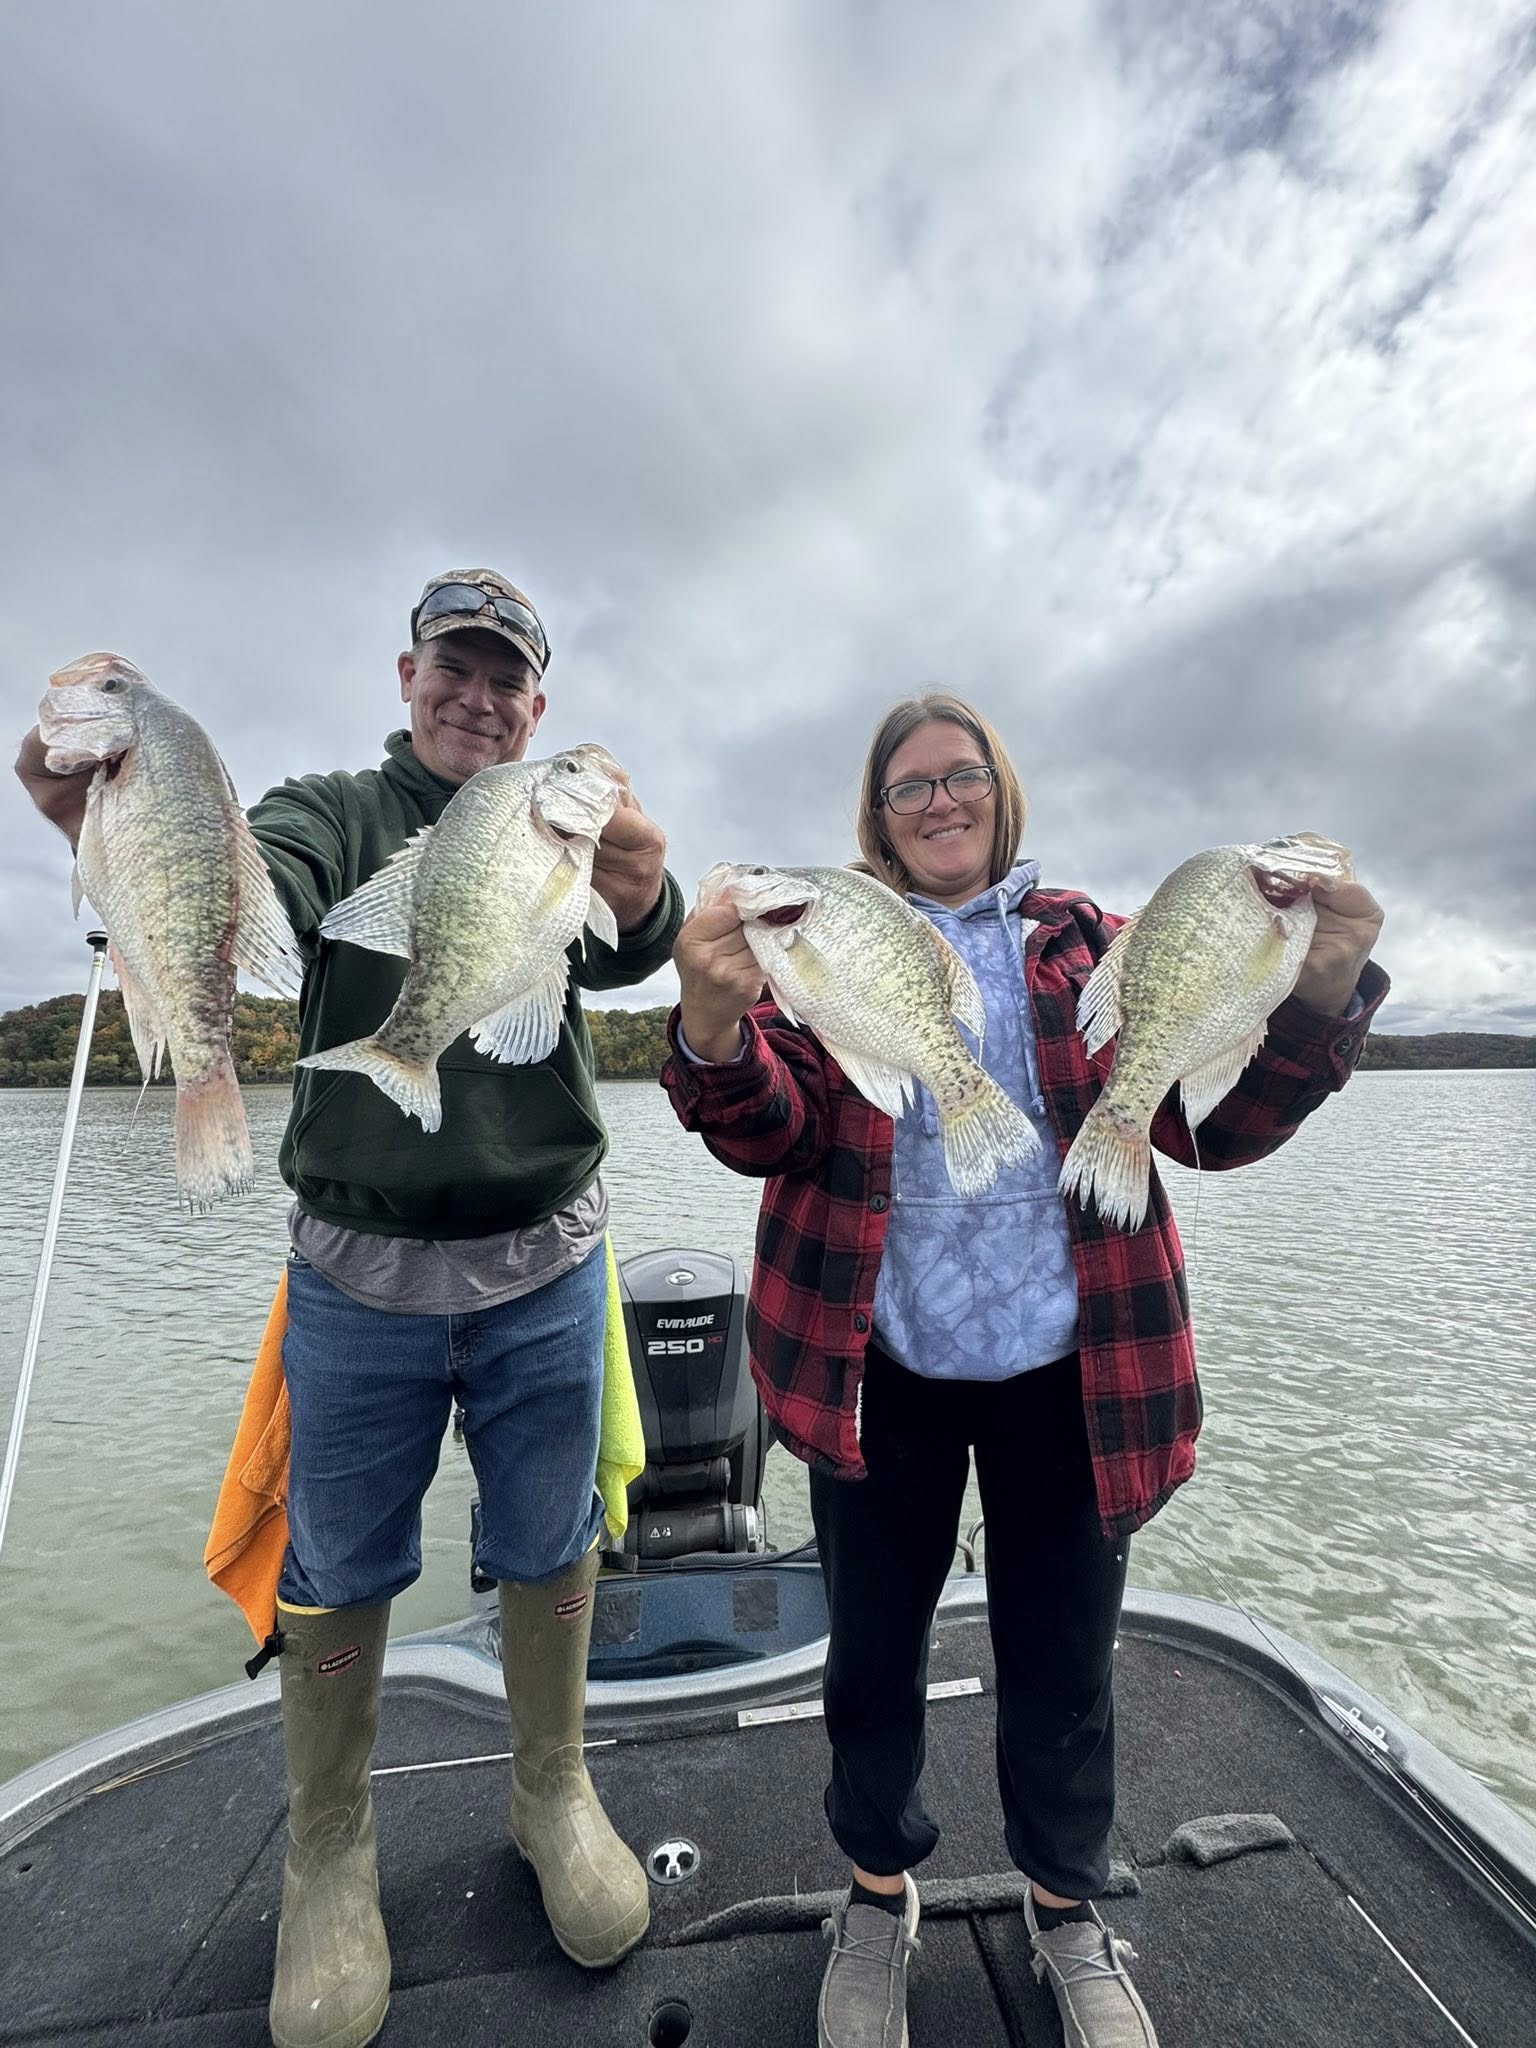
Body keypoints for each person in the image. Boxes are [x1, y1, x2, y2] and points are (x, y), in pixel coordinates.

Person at [16, 569, 684, 2048]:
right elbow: (266, 884)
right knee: (339, 1559)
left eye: (506, 678)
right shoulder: (333, 810)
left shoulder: (551, 818)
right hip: (357, 1283)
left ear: (539, 707)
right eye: (454, 666)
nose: (477, 695)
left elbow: (642, 935)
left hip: (547, 1271)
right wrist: (113, 818)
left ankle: (551, 1786)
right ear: (406, 675)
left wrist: (633, 866)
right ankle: (329, 1849)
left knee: (552, 1533)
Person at [663, 691, 1386, 2048]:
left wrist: (1326, 979)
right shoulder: (821, 941)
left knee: (1064, 1666)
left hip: (1076, 1369)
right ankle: (877, 1903)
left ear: (1002, 790)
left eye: (962, 776)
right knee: (870, 1662)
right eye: (908, 788)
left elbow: (1208, 1128)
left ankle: (1069, 1916)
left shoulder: (1090, 947)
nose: (939, 802)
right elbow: (769, 1128)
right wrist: (711, 1030)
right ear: (873, 820)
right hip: (880, 1370)